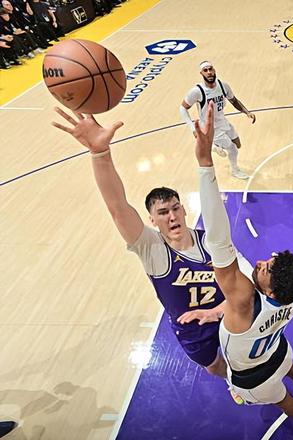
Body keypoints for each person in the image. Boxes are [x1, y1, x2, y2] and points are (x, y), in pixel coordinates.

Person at [178, 104, 293, 430]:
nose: (261, 262)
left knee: (284, 400)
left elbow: (219, 241)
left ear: (271, 290)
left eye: (265, 268)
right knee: (292, 367)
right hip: (277, 350)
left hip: (253, 375)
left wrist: (205, 164)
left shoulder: (244, 301)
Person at [51, 107, 234, 380]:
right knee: (214, 366)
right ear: (152, 219)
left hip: (226, 312)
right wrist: (100, 153)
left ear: (184, 209)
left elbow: (242, 284)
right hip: (192, 329)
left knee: (242, 357)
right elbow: (117, 207)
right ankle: (230, 381)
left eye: (175, 208)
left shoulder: (209, 240)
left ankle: (242, 378)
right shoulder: (152, 248)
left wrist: (219, 311)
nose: (172, 216)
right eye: (163, 212)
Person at [180, 61, 255, 180]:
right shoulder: (197, 91)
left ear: (214, 70)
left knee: (238, 144)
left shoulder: (223, 85)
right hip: (210, 127)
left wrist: (247, 112)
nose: (209, 72)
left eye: (210, 69)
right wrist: (192, 128)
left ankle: (214, 146)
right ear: (201, 73)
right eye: (205, 70)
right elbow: (183, 108)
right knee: (232, 149)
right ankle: (235, 170)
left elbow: (234, 100)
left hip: (222, 121)